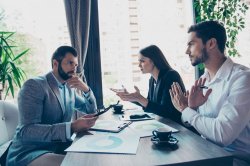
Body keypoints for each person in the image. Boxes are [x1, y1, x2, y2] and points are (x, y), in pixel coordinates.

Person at [169, 20, 250, 166]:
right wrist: (192, 109)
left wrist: (185, 110)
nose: (187, 51)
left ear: (211, 43)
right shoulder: (203, 80)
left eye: (191, 44)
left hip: (235, 160)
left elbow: (222, 134)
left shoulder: (242, 79)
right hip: (206, 153)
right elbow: (195, 122)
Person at [6, 46, 98, 166]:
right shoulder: (34, 85)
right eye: (70, 63)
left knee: (91, 157)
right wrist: (71, 127)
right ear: (55, 63)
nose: (74, 69)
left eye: (75, 65)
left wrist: (86, 90)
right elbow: (27, 131)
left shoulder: (68, 88)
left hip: (59, 147)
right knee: (77, 163)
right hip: (30, 152)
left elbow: (89, 109)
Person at [112, 45, 185, 125]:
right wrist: (130, 97)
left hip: (177, 126)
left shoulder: (170, 76)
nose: (139, 65)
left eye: (142, 61)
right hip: (164, 125)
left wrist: (139, 98)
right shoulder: (152, 79)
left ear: (153, 60)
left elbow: (167, 111)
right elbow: (150, 104)